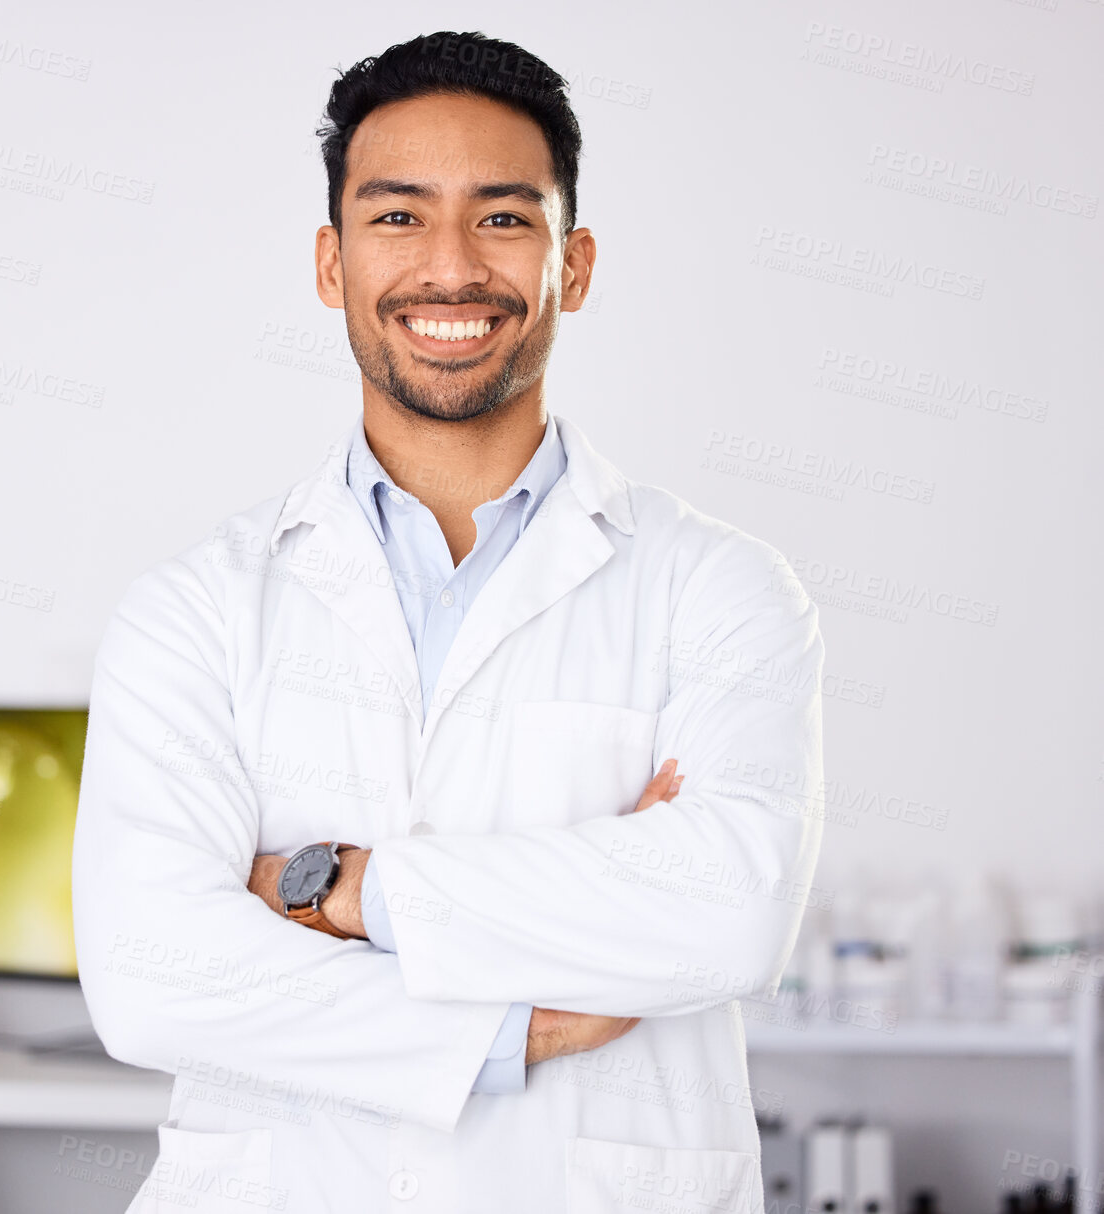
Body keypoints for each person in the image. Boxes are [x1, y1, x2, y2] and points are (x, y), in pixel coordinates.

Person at [71, 29, 825, 1214]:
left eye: (503, 218)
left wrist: (341, 892)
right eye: (397, 217)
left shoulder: (718, 586)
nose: (451, 267)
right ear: (331, 263)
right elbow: (149, 973)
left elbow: (728, 912)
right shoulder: (196, 609)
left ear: (571, 264)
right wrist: (508, 1030)